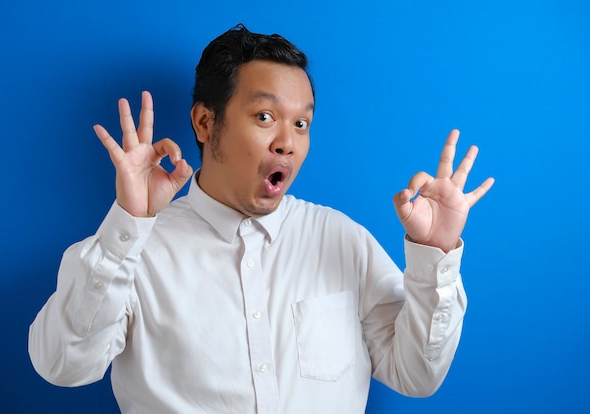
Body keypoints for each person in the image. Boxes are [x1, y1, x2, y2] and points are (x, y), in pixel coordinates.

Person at [28, 24, 494, 414]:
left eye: (301, 124)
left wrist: (435, 256)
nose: (287, 143)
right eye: (266, 115)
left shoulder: (341, 239)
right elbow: (63, 366)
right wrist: (128, 222)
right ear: (207, 123)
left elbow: (416, 376)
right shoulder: (136, 249)